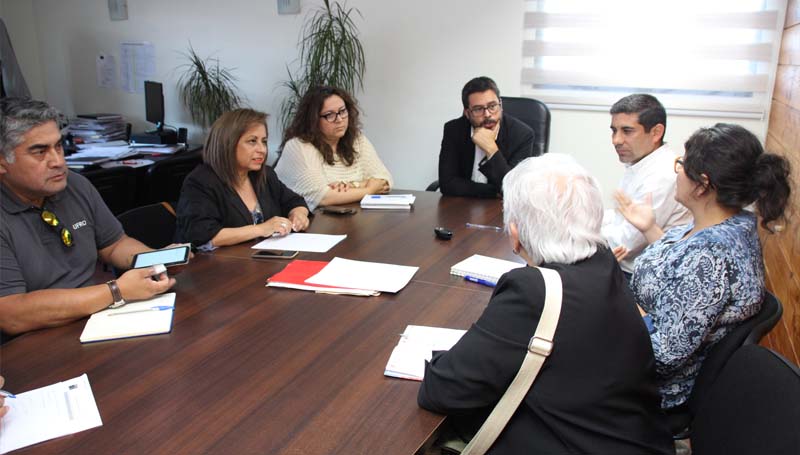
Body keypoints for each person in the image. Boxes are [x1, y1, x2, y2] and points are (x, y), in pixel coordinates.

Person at [418, 154, 674, 454]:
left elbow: (442, 390)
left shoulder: (534, 290)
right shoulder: (605, 264)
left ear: (515, 235)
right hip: (637, 439)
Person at [616, 123, 791, 410]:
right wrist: (649, 228)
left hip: (652, 387)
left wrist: (619, 296)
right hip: (636, 335)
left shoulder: (711, 256)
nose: (677, 171)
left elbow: (662, 355)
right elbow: (681, 271)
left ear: (702, 185)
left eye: (683, 164)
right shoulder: (732, 223)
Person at [0, 98, 174, 337]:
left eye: (59, 146)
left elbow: (114, 245)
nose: (58, 162)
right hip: (32, 340)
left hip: (93, 318)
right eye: (40, 152)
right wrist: (116, 291)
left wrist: (154, 262)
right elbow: (12, 314)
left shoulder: (74, 184)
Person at [175, 108, 309, 248]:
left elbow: (295, 201)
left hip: (261, 256)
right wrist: (261, 229)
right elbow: (202, 236)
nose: (262, 149)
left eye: (264, 141)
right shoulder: (201, 181)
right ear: (228, 143)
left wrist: (299, 214)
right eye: (252, 141)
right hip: (215, 261)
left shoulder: (265, 175)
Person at [603, 94, 691, 275]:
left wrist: (583, 232)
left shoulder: (662, 176)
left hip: (639, 275)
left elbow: (625, 245)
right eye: (614, 131)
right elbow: (619, 216)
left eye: (627, 131)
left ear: (656, 132)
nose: (616, 140)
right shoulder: (641, 162)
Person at [275, 86, 393, 210]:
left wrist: (352, 185)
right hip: (304, 220)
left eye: (342, 111)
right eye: (329, 115)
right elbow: (322, 197)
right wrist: (369, 190)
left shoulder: (357, 140)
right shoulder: (299, 146)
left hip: (349, 216)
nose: (339, 119)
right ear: (313, 119)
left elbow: (384, 180)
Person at [437, 76, 535, 198]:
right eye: (478, 109)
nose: (487, 114)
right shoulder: (453, 130)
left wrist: (491, 149)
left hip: (501, 206)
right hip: (463, 203)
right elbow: (447, 183)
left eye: (492, 106)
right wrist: (493, 191)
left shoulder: (522, 135)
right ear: (467, 113)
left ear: (500, 105)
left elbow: (513, 190)